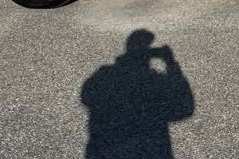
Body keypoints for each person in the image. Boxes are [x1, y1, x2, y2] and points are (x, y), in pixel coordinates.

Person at [81, 29, 194, 159]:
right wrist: (170, 63)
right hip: (151, 148)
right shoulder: (153, 79)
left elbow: (86, 95)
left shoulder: (105, 72)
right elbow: (185, 109)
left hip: (102, 147)